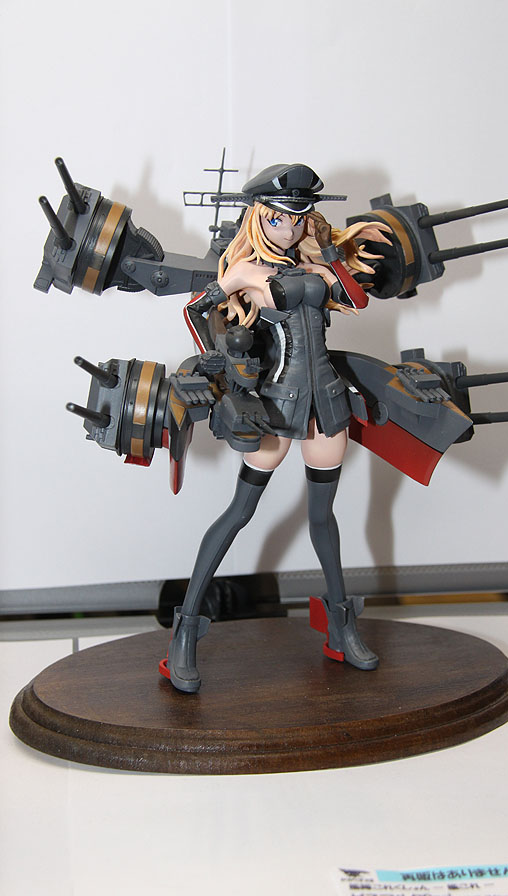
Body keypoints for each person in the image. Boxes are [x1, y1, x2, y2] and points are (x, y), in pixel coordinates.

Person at [167, 163, 391, 693]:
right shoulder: (246, 271)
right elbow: (197, 311)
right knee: (239, 513)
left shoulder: (317, 264)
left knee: (323, 517)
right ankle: (186, 629)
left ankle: (340, 626)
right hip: (275, 403)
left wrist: (330, 255)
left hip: (326, 401)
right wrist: (221, 365)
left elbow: (357, 300)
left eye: (298, 218)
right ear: (258, 217)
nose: (288, 229)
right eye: (277, 219)